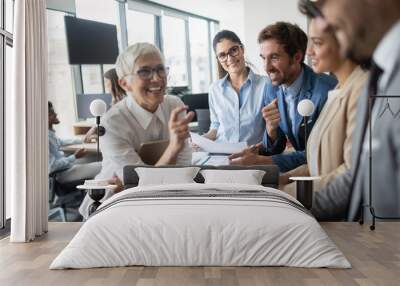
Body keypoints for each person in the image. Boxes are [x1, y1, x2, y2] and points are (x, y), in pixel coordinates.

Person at [305, 0, 400, 220]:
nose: (324, 21)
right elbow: (359, 177)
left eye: (323, 3)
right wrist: (293, 210)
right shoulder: (380, 73)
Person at [79, 42, 194, 219]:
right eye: (145, 71)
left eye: (161, 69)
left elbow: (184, 169)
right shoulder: (112, 123)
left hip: (162, 203)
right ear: (125, 83)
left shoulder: (174, 105)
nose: (157, 78)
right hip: (110, 207)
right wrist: (173, 148)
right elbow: (141, 188)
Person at [277, 1, 368, 195]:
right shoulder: (337, 88)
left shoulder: (361, 90)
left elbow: (351, 174)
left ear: (345, 42)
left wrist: (288, 193)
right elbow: (319, 166)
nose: (309, 51)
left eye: (317, 43)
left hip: (339, 218)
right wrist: (282, 179)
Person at [229, 22, 337, 172]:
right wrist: (271, 131)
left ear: (297, 56)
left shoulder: (326, 91)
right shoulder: (271, 88)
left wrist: (264, 161)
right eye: (263, 58)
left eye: (274, 57)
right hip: (298, 170)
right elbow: (275, 148)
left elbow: (322, 153)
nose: (266, 68)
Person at [202, 30, 269, 146]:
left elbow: (272, 129)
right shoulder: (214, 89)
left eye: (233, 50)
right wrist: (203, 139)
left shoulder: (266, 85)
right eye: (222, 55)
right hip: (221, 155)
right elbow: (216, 125)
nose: (230, 58)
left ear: (242, 49)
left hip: (253, 156)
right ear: (218, 59)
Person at [48, 101, 101, 184]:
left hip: (66, 167)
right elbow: (52, 166)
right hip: (61, 174)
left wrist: (83, 140)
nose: (56, 114)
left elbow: (60, 141)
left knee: (92, 158)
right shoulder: (44, 139)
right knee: (103, 166)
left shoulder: (49, 134)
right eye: (51, 113)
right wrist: (74, 156)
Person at [83, 68, 126, 143]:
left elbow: (116, 122)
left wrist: (94, 130)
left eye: (106, 81)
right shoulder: (116, 99)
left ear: (113, 82)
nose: (105, 84)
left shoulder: (123, 100)